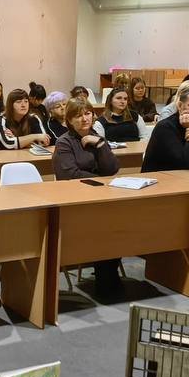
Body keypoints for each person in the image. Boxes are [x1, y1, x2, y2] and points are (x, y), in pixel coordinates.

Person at [53, 99, 121, 297]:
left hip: (101, 198)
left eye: (88, 113)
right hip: (75, 200)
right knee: (104, 227)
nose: (84, 119)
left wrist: (100, 144)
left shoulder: (97, 137)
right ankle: (106, 278)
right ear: (69, 120)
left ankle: (108, 274)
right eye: (78, 115)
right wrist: (101, 179)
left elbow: (112, 168)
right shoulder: (64, 142)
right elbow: (70, 175)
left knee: (119, 223)